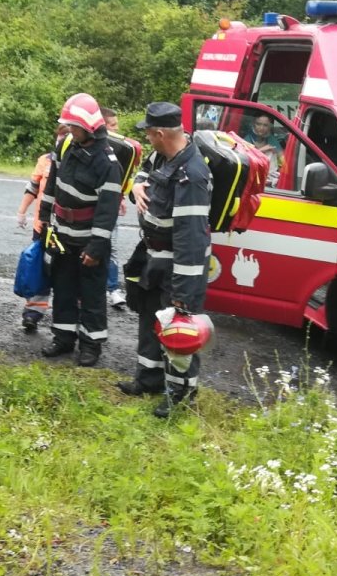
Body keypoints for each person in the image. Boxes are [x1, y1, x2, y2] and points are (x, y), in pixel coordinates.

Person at [116, 102, 212, 416]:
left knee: (177, 328)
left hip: (179, 266)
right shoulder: (162, 157)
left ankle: (181, 394)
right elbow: (143, 179)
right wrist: (137, 186)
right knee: (149, 317)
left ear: (159, 133)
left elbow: (191, 240)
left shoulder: (192, 176)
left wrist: (184, 294)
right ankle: (149, 378)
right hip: (152, 257)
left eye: (148, 132)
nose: (146, 137)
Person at [37, 93, 121, 367]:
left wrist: (96, 248)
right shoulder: (66, 146)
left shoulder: (107, 163)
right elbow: (52, 185)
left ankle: (91, 345)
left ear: (88, 127)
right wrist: (44, 220)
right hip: (62, 233)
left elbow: (107, 211)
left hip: (88, 239)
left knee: (92, 293)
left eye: (73, 126)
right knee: (62, 287)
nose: (69, 130)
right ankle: (63, 338)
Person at [15, 123, 67, 332]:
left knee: (66, 272)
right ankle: (33, 313)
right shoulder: (45, 161)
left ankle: (67, 318)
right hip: (44, 227)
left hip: (69, 230)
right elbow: (33, 187)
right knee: (40, 269)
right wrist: (22, 211)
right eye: (62, 135)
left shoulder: (81, 162)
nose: (64, 139)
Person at [102, 107, 142, 312]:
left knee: (113, 248)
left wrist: (122, 198)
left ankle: (112, 289)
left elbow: (124, 178)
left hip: (113, 206)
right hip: (95, 209)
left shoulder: (122, 150)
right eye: (112, 125)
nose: (117, 129)